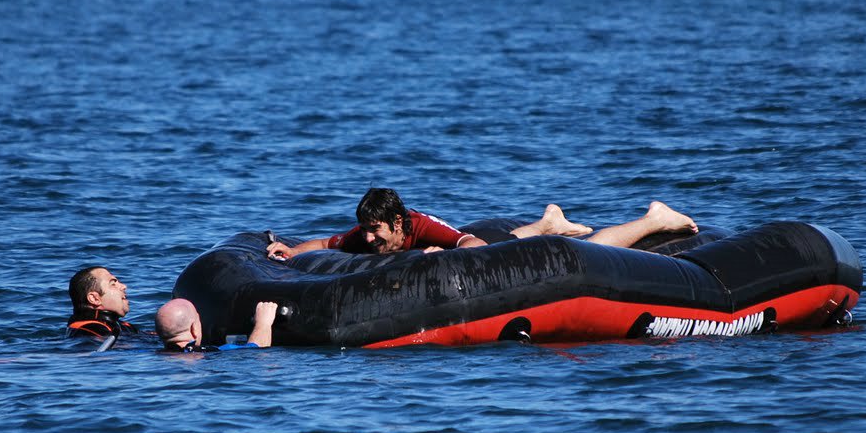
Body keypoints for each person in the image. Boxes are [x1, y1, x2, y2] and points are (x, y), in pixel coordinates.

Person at [264, 187, 696, 260]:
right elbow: (324, 244)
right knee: (506, 239)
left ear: (398, 223)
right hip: (490, 242)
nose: (370, 238)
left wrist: (438, 256)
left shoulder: (420, 228)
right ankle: (548, 223)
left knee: (592, 250)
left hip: (473, 249)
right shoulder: (368, 234)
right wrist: (288, 250)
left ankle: (653, 218)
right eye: (367, 230)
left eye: (378, 230)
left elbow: (471, 246)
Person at [156, 299, 278, 352]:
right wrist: (263, 323)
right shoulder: (207, 353)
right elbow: (254, 349)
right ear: (194, 329)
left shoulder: (157, 353)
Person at [67, 266, 139, 342]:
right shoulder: (87, 330)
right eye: (113, 284)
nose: (124, 286)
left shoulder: (123, 326)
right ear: (94, 298)